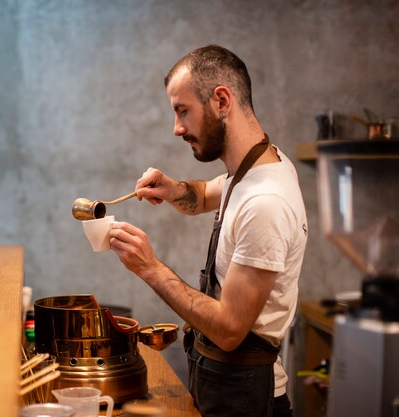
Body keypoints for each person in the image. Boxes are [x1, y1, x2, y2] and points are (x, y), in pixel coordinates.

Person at [109, 45, 307, 417]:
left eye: (183, 111)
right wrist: (173, 189)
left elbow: (231, 330)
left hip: (247, 399)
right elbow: (203, 195)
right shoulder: (255, 168)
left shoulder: (266, 201)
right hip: (222, 385)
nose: (177, 128)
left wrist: (149, 268)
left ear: (220, 100)